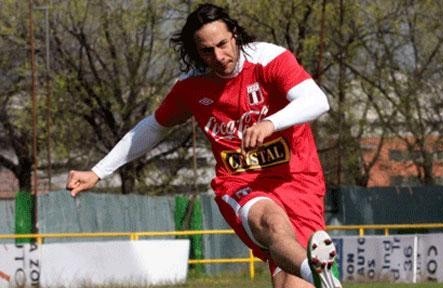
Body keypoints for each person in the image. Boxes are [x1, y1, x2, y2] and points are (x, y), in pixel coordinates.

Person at [66, 3, 341, 288]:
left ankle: (312, 276)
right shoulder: (191, 86)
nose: (219, 56)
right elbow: (152, 127)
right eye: (207, 51)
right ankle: (318, 273)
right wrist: (98, 171)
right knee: (272, 223)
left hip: (297, 178)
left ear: (234, 33)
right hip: (240, 182)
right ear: (196, 52)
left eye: (222, 44)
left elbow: (317, 101)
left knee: (292, 282)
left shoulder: (269, 59)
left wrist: (270, 123)